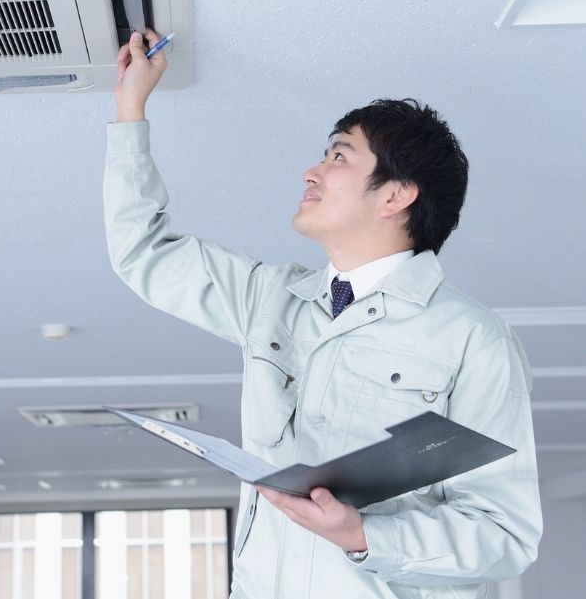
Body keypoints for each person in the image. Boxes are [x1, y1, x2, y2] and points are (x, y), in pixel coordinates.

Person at [103, 30, 542, 599]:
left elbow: (504, 536)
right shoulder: (272, 297)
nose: (311, 172)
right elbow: (145, 255)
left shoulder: (472, 340)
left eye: (338, 156)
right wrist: (129, 110)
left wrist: (362, 533)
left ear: (396, 195)